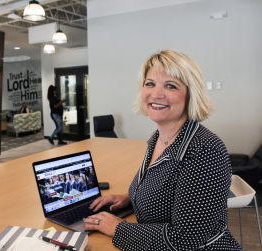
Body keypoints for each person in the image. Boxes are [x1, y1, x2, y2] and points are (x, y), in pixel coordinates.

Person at [83, 50, 242, 250]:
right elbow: (168, 194)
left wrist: (117, 228)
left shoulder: (204, 150)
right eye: (150, 83)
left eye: (170, 85)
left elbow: (184, 239)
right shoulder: (158, 138)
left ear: (190, 94)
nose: (156, 94)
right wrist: (131, 198)